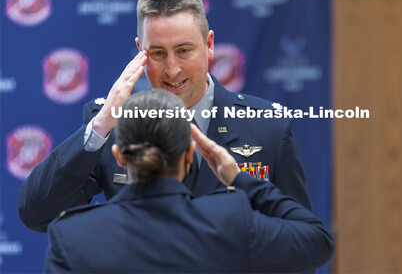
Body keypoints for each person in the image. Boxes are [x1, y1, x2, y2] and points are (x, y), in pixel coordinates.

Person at [19, 0, 312, 233]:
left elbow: (301, 245)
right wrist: (100, 127)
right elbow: (38, 214)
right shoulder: (114, 127)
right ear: (139, 52)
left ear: (209, 45)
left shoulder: (268, 127)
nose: (172, 70)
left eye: (184, 51)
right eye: (157, 53)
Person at [43, 89, 334, 273]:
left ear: (119, 156)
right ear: (189, 154)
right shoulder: (230, 221)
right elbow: (317, 241)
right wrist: (240, 179)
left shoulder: (73, 235)